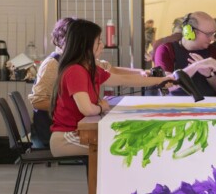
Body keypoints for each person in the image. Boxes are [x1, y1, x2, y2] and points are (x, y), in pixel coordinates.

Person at [48, 19, 206, 157]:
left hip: (78, 134)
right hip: (66, 138)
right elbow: (88, 110)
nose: (102, 45)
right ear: (85, 46)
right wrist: (100, 106)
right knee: (125, 146)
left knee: (127, 142)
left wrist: (161, 79)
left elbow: (123, 79)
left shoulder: (89, 68)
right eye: (98, 42)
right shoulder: (75, 71)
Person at [29, 17, 145, 148]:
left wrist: (143, 72)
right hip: (54, 129)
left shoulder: (83, 61)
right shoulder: (53, 64)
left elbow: (110, 69)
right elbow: (37, 101)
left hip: (79, 124)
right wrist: (72, 106)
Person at [153, 11, 216, 98]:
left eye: (213, 34)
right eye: (208, 34)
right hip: (176, 108)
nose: (212, 38)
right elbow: (165, 88)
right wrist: (196, 66)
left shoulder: (213, 50)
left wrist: (210, 75)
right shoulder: (166, 50)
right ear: (190, 31)